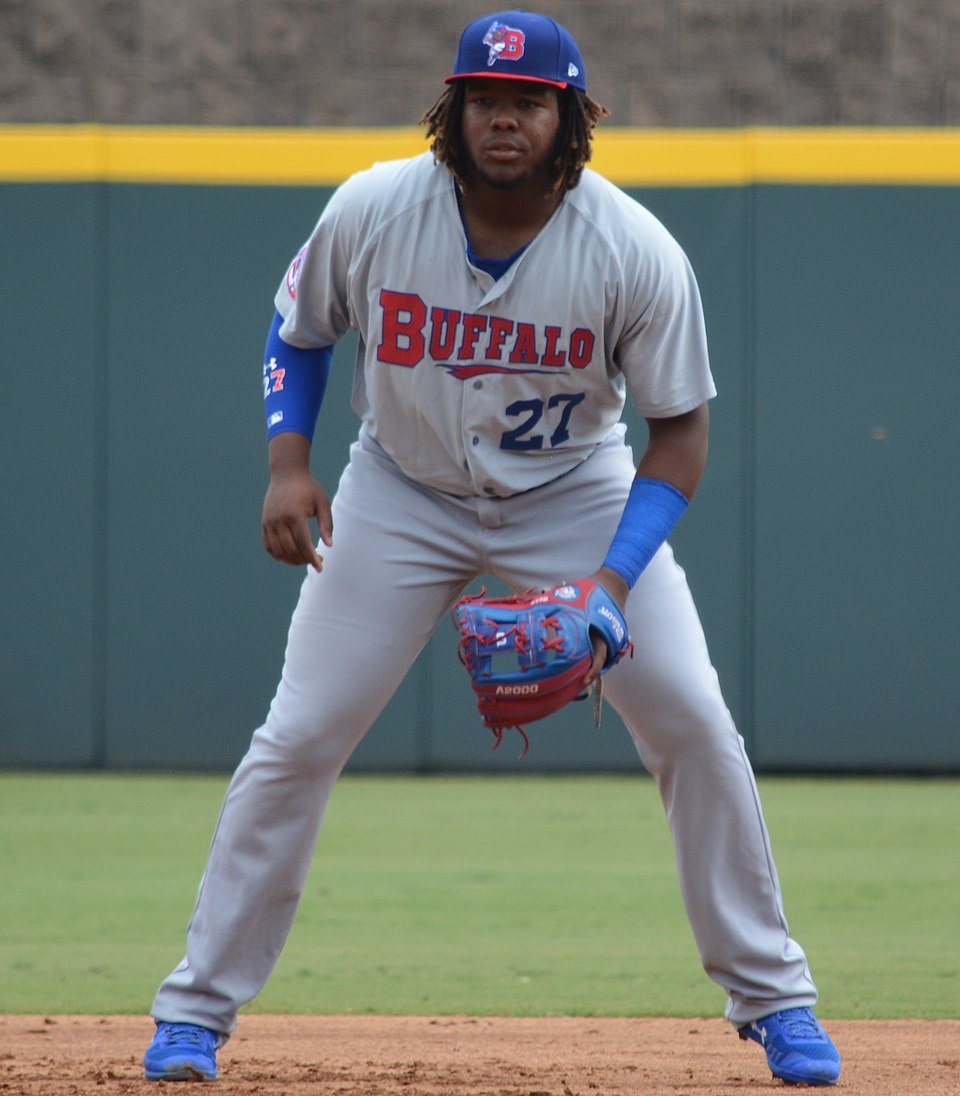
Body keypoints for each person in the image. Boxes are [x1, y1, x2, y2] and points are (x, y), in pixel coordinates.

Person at [143, 10, 841, 1087]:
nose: (502, 117)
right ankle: (194, 1010)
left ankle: (775, 995)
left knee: (694, 722)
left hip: (576, 491)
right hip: (401, 489)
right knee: (301, 733)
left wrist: (610, 581)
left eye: (527, 100)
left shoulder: (633, 248)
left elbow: (681, 432)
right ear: (453, 109)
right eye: (484, 97)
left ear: (570, 118)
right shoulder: (375, 206)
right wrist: (290, 463)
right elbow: (299, 327)